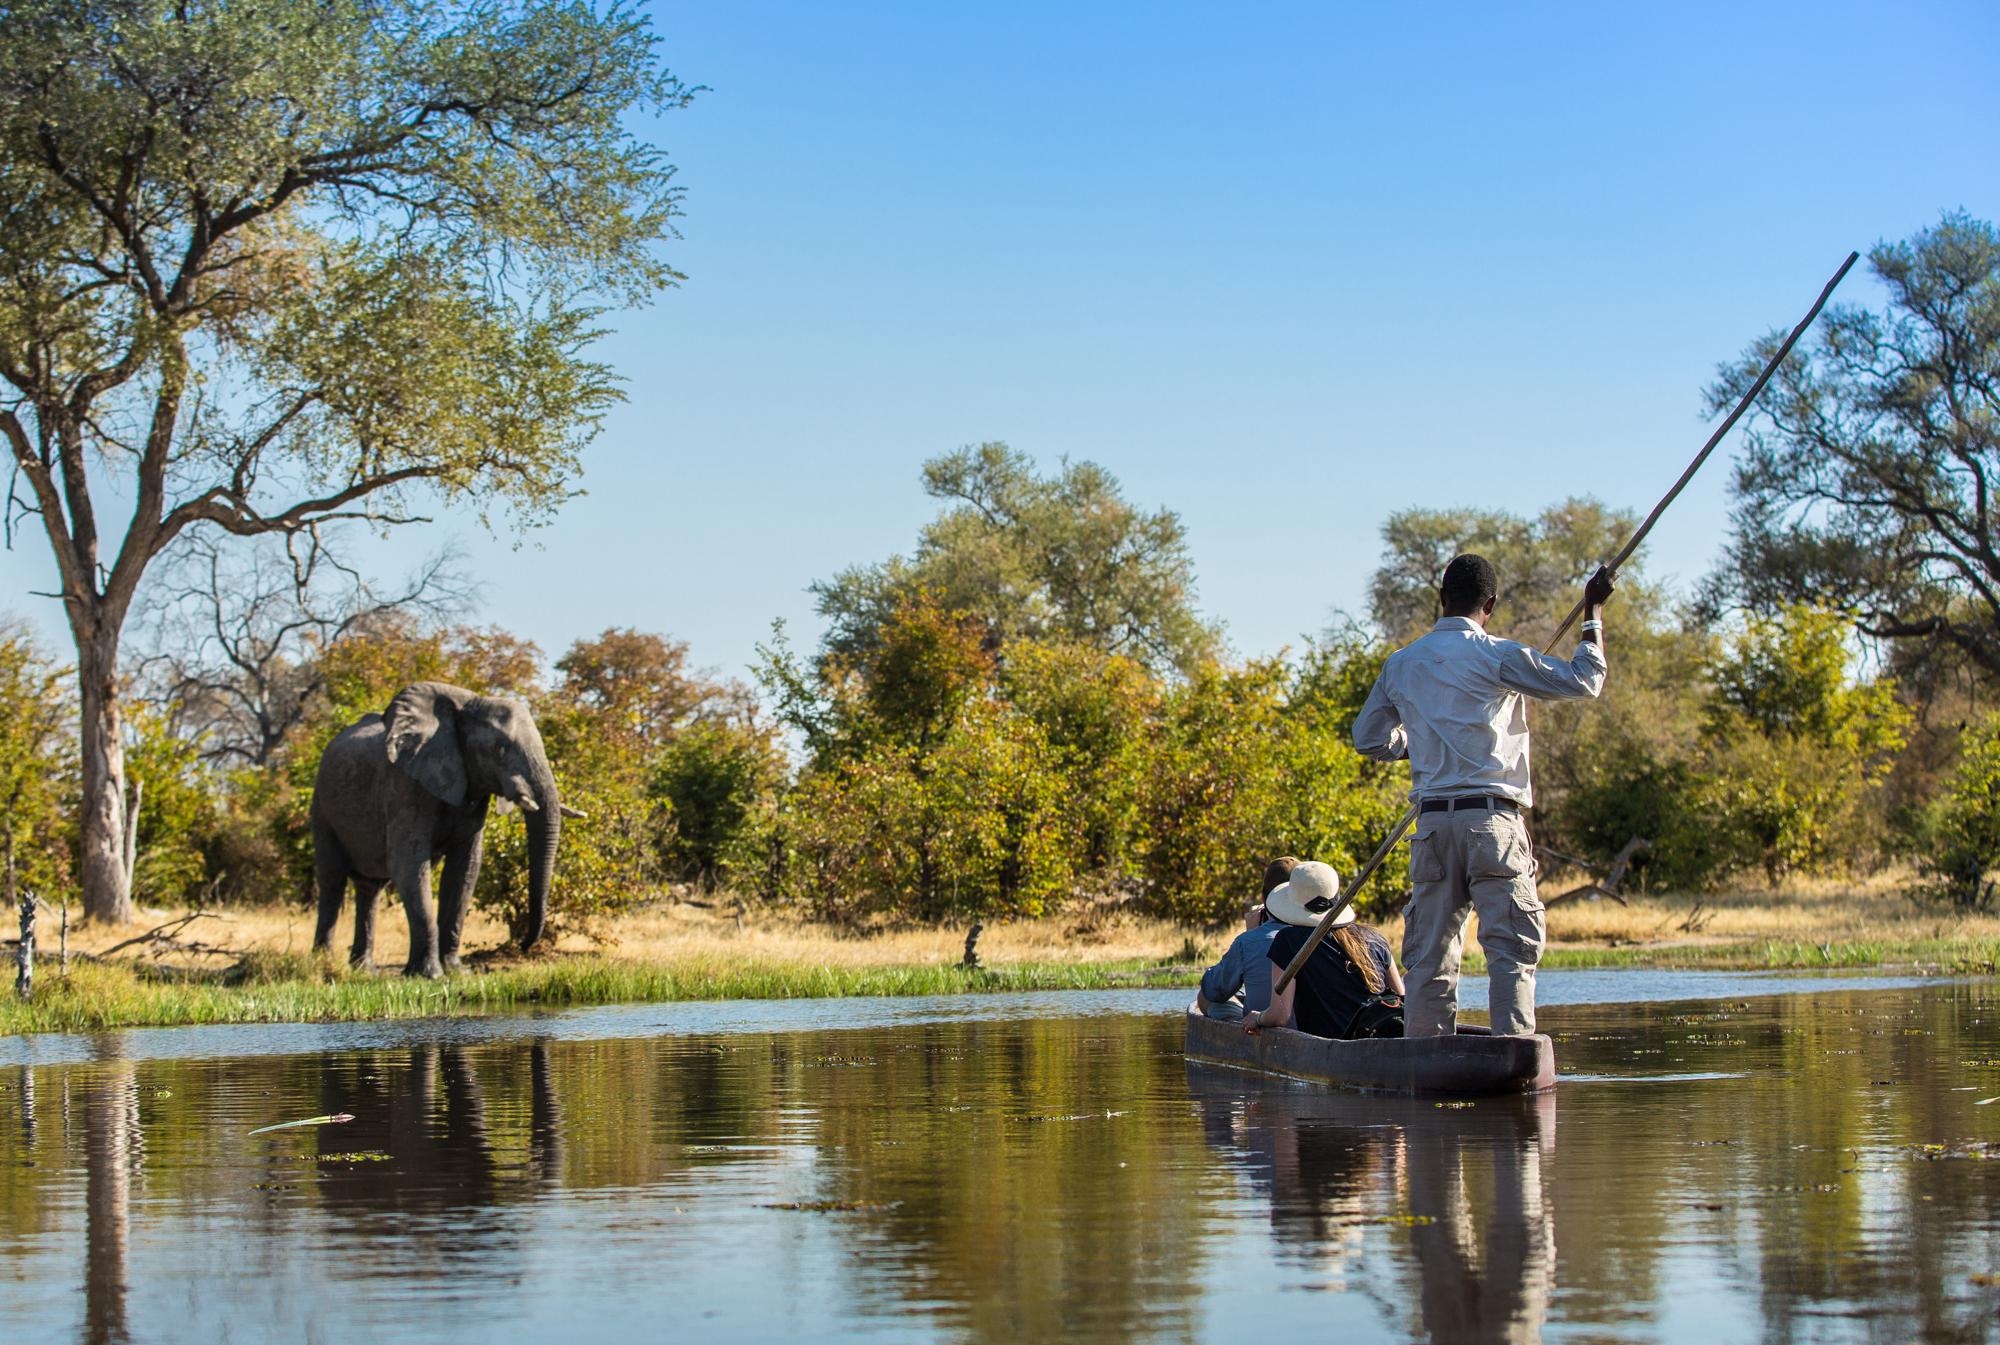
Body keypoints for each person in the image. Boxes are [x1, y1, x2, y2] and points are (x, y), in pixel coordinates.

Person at [1352, 553, 1616, 1037]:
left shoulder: (1401, 663)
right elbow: (1585, 681)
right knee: (1510, 952)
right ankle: (1513, 1059)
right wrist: (1592, 613)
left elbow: (1368, 738)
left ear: (1441, 598)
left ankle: (1424, 1063)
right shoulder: (1498, 655)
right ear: (1489, 604)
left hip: (1432, 825)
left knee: (1429, 960)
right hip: (1492, 823)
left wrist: (1415, 742)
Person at [1243, 860, 1406, 1040]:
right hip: (1379, 1041)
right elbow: (1401, 998)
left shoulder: (1288, 940)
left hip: (1331, 1051)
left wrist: (1257, 1018)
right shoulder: (1374, 938)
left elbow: (1280, 1015)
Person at [1193, 857, 1299, 1025]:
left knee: (1204, 999)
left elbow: (1212, 990)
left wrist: (1252, 934)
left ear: (1264, 900)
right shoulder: (1325, 935)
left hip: (1266, 1028)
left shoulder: (1249, 941)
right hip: (1312, 1028)